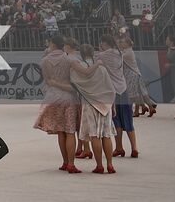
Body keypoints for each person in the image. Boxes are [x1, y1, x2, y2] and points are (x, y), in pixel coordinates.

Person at [34, 34, 81, 174]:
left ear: (53, 44)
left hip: (53, 98)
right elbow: (77, 82)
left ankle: (65, 162)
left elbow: (48, 82)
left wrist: (55, 84)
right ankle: (72, 163)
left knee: (61, 131)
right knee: (71, 131)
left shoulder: (44, 61)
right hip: (69, 98)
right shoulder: (71, 60)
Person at [71, 43, 117, 174]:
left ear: (81, 54)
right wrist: (112, 104)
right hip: (104, 104)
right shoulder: (101, 68)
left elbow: (74, 83)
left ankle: (99, 165)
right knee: (106, 135)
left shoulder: (80, 69)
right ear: (93, 53)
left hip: (89, 103)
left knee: (94, 135)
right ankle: (110, 165)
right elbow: (111, 88)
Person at [96, 35, 134, 158]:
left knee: (116, 120)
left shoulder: (102, 55)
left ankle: (119, 147)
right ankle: (134, 148)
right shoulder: (119, 53)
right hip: (123, 88)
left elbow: (95, 61)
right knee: (128, 120)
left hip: (113, 91)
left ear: (104, 43)